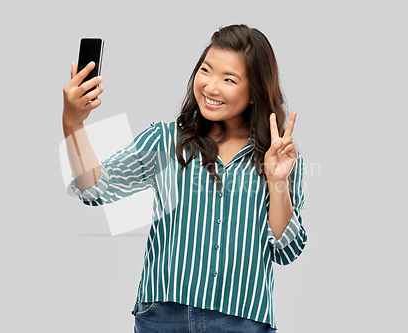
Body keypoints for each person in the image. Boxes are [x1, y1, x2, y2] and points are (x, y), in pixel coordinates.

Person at [62, 24, 306, 332]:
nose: (211, 87)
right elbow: (95, 187)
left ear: (255, 92)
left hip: (243, 321)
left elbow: (287, 250)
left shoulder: (278, 157)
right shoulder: (165, 142)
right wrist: (73, 124)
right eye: (206, 70)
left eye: (228, 79)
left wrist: (277, 180)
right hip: (163, 318)